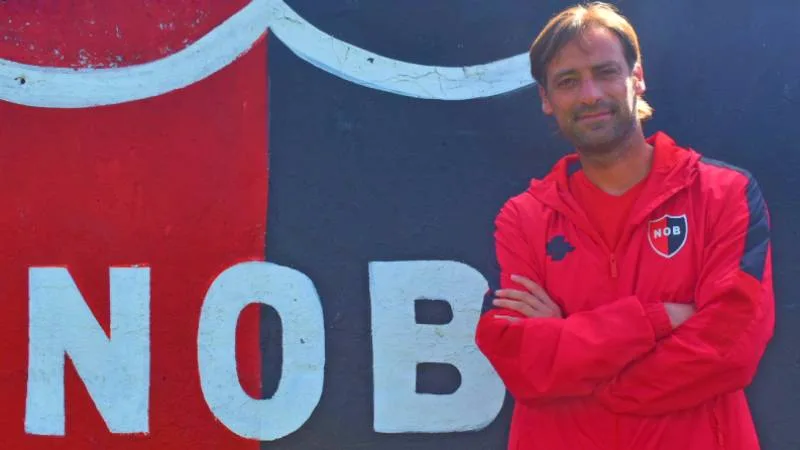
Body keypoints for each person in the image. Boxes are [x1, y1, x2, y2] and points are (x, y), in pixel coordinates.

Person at [474, 2, 775, 449]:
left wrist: (580, 362)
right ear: (546, 99)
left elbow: (730, 346)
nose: (590, 94)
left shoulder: (723, 193)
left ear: (637, 78)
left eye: (606, 72)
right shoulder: (523, 218)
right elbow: (518, 355)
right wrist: (654, 319)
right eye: (568, 81)